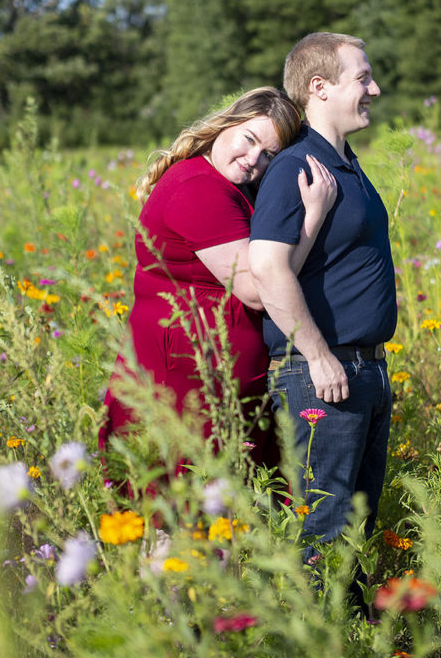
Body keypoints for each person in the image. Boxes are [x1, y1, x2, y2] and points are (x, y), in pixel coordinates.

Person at [98, 86, 337, 476]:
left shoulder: (226, 186)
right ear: (227, 123)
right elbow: (257, 290)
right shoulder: (198, 188)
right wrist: (312, 218)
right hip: (182, 389)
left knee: (213, 521)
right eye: (249, 139)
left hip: (210, 388)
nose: (252, 160)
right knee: (177, 519)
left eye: (268, 155)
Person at [249, 34, 397, 570]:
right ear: (319, 87)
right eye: (363, 78)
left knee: (354, 537)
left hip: (362, 370)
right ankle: (317, 652)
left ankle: (351, 647)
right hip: (322, 373)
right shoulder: (298, 167)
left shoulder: (344, 163)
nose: (374, 89)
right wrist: (316, 354)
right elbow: (266, 267)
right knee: (326, 538)